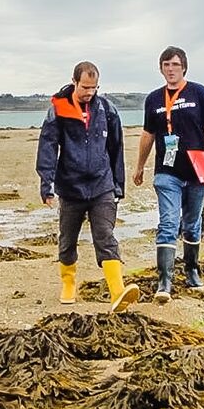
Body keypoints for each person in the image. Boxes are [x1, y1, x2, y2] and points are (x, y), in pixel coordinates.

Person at [36, 61, 139, 312]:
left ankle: (118, 292)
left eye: (94, 88)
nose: (89, 92)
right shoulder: (58, 110)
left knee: (105, 236)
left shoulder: (107, 109)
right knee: (67, 240)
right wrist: (46, 184)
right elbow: (48, 146)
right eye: (85, 87)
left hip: (102, 186)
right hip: (70, 188)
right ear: (74, 82)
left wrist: (118, 186)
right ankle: (68, 284)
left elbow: (116, 148)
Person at [132, 46, 204, 303]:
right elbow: (148, 135)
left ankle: (192, 270)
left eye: (174, 64)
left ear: (183, 66)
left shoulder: (199, 93)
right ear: (161, 68)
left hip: (196, 170)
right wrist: (140, 166)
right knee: (169, 223)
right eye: (166, 65)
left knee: (192, 223)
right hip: (166, 171)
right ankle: (165, 280)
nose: (170, 69)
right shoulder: (153, 100)